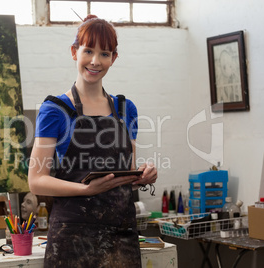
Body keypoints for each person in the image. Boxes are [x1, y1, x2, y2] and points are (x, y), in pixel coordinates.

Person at [28, 15, 157, 267]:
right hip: (72, 237)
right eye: (88, 51)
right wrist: (86, 190)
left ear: (114, 58)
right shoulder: (55, 109)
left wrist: (142, 176)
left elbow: (123, 178)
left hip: (120, 237)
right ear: (75, 52)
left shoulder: (125, 109)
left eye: (105, 54)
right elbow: (36, 181)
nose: (95, 61)